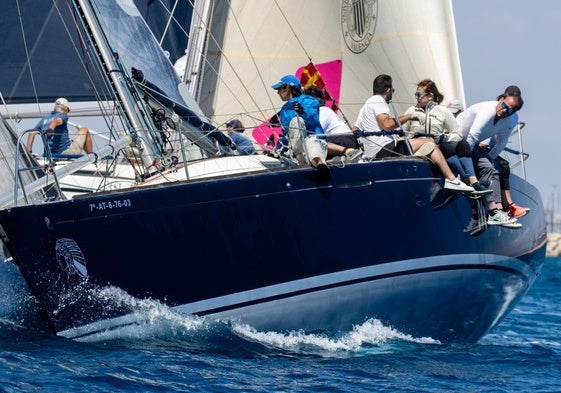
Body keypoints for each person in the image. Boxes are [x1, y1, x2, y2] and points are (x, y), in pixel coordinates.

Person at [353, 74, 474, 193]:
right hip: (384, 148)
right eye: (393, 90)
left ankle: (467, 180)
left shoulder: (367, 104)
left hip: (372, 153)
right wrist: (410, 116)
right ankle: (451, 179)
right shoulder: (379, 101)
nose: (417, 97)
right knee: (430, 142)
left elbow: (354, 129)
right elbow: (387, 124)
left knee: (430, 145)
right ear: (388, 90)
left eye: (418, 94)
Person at [402, 79, 490, 195]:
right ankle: (468, 181)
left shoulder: (443, 112)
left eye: (419, 95)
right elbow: (402, 132)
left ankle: (472, 181)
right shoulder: (411, 111)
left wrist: (443, 137)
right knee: (447, 150)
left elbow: (457, 134)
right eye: (416, 95)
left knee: (460, 144)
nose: (417, 98)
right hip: (418, 148)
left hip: (436, 147)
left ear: (430, 96)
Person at [457, 85, 525, 228]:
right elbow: (472, 136)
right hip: (456, 138)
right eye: (504, 105)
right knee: (480, 170)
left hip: (470, 145)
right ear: (501, 99)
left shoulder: (506, 121)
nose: (505, 110)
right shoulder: (487, 111)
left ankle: (494, 213)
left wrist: (488, 159)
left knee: (491, 169)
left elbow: (501, 143)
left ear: (514, 112)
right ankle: (485, 213)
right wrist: (466, 162)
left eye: (510, 109)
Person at [271, 74, 329, 178]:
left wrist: (302, 111)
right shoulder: (284, 109)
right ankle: (319, 165)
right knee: (295, 122)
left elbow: (313, 118)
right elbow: (286, 133)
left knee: (310, 140)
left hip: (315, 141)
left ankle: (320, 164)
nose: (278, 92)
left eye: (279, 89)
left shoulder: (309, 100)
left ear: (288, 87)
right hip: (297, 149)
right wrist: (278, 149)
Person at [303, 86, 361, 161]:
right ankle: (338, 159)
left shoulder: (322, 110)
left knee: (313, 143)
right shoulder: (326, 110)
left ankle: (345, 153)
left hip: (342, 140)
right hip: (348, 139)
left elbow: (315, 133)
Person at [27, 98, 93, 156]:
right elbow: (56, 121)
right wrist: (51, 129)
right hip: (66, 153)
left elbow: (31, 133)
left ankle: (28, 154)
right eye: (68, 110)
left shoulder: (45, 118)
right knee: (84, 130)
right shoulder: (63, 115)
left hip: (49, 154)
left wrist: (29, 153)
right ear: (66, 109)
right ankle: (92, 158)